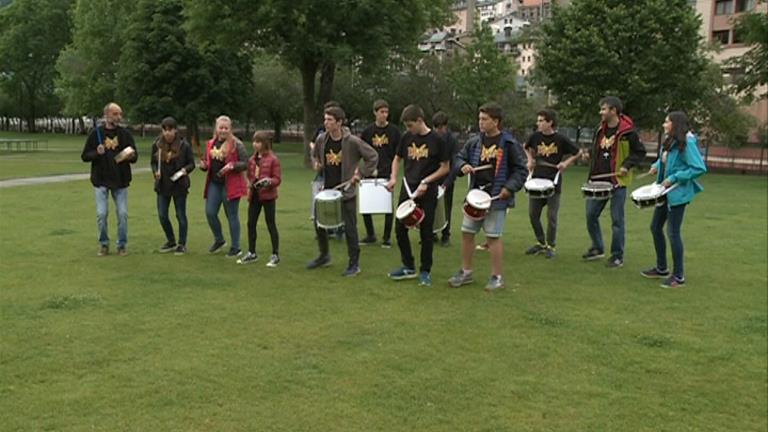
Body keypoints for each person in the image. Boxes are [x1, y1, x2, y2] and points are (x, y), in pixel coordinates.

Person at [447, 102, 527, 291]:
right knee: (467, 233)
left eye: (484, 119)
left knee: (492, 237)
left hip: (496, 197)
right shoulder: (475, 142)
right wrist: (462, 166)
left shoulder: (508, 144)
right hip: (476, 195)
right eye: (479, 119)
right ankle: (466, 272)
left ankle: (496, 277)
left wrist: (509, 187)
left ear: (496, 121)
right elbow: (459, 157)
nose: (480, 123)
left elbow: (521, 170)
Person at [307, 106, 378, 276]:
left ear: (339, 122)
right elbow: (315, 156)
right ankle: (324, 256)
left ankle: (354, 264)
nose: (326, 123)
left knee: (350, 229)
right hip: (327, 190)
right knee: (319, 224)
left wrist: (360, 173)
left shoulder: (352, 141)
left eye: (330, 120)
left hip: (346, 191)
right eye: (325, 119)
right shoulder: (321, 139)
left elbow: (372, 156)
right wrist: (316, 163)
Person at [641, 111, 706, 288]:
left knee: (673, 232)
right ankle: (661, 268)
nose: (664, 124)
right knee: (655, 227)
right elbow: (665, 159)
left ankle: (678, 276)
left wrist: (675, 177)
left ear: (675, 124)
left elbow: (699, 168)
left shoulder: (688, 142)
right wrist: (655, 167)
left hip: (677, 193)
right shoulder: (670, 141)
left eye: (666, 122)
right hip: (663, 191)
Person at [386, 104, 450, 287]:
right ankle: (408, 265)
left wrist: (427, 181)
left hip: (427, 190)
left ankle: (425, 271)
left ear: (420, 121)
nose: (408, 129)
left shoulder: (437, 140)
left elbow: (445, 167)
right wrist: (393, 178)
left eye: (410, 125)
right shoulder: (407, 137)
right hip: (408, 188)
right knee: (400, 228)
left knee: (426, 232)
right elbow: (397, 159)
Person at [582, 96, 646, 268]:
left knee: (617, 220)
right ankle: (597, 247)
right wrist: (589, 153)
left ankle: (617, 256)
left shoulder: (628, 132)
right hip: (598, 181)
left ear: (614, 111)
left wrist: (627, 165)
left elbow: (640, 152)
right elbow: (600, 149)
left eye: (604, 109)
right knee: (590, 215)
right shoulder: (600, 130)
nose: (600, 112)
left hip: (617, 181)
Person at [80, 102, 137, 256]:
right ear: (106, 115)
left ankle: (122, 245)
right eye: (115, 114)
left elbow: (134, 156)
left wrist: (130, 156)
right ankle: (104, 244)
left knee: (123, 214)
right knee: (101, 214)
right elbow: (85, 156)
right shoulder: (96, 134)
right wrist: (96, 153)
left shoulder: (125, 134)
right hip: (101, 181)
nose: (119, 117)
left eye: (120, 114)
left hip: (120, 181)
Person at [523, 109, 580, 259]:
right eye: (538, 120)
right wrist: (530, 160)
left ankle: (551, 246)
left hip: (553, 183)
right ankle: (540, 243)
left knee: (551, 216)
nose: (538, 123)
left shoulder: (561, 139)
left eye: (542, 121)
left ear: (550, 123)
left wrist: (565, 163)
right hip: (536, 181)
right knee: (533, 215)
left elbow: (578, 152)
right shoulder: (535, 137)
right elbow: (525, 146)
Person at [200, 115, 249, 257]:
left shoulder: (236, 144)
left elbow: (246, 163)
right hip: (214, 183)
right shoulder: (210, 143)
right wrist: (203, 166)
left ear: (230, 129)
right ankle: (219, 239)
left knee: (231, 215)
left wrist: (233, 165)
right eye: (220, 127)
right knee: (210, 212)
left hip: (231, 184)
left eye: (226, 128)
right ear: (216, 128)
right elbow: (207, 162)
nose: (223, 130)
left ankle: (236, 247)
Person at [150, 116, 195, 255]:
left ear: (175, 130)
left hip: (179, 185)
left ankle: (182, 244)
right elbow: (153, 162)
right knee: (162, 215)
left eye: (170, 130)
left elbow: (192, 164)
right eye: (165, 130)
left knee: (180, 215)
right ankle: (171, 240)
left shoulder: (184, 145)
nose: (167, 133)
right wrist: (155, 171)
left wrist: (184, 170)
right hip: (163, 185)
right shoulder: (157, 144)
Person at [359, 99, 400, 248]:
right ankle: (370, 235)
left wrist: (393, 172)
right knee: (366, 204)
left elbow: (398, 153)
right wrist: (366, 169)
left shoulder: (394, 131)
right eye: (381, 112)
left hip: (387, 172)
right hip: (370, 172)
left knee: (387, 206)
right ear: (375, 113)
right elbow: (361, 150)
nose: (384, 115)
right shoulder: (368, 132)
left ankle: (387, 237)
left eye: (386, 112)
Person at [238, 131, 282, 267]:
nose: (255, 144)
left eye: (258, 142)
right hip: (255, 195)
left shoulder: (273, 159)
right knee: (251, 223)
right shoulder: (252, 160)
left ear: (265, 144)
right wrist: (251, 183)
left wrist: (268, 182)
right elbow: (250, 176)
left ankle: (275, 254)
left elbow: (277, 179)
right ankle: (252, 252)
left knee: (270, 223)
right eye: (254, 141)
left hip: (268, 196)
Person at [433, 111, 462, 247]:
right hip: (433, 177)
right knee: (430, 206)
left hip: (447, 178)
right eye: (436, 128)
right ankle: (431, 233)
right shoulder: (431, 138)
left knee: (446, 207)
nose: (438, 131)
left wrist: (446, 183)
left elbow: (455, 163)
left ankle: (446, 235)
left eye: (440, 128)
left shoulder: (452, 141)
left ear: (446, 126)